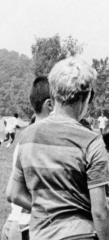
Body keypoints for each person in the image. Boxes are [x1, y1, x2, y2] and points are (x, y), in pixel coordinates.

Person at [8, 57, 109, 240]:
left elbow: (15, 193)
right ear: (85, 97)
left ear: (54, 93)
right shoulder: (91, 141)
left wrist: (48, 209)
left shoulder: (27, 136)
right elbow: (100, 212)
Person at [3, 76, 53, 240]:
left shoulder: (25, 140)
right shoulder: (39, 141)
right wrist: (54, 210)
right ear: (50, 104)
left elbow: (11, 191)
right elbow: (13, 194)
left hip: (16, 223)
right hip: (28, 227)